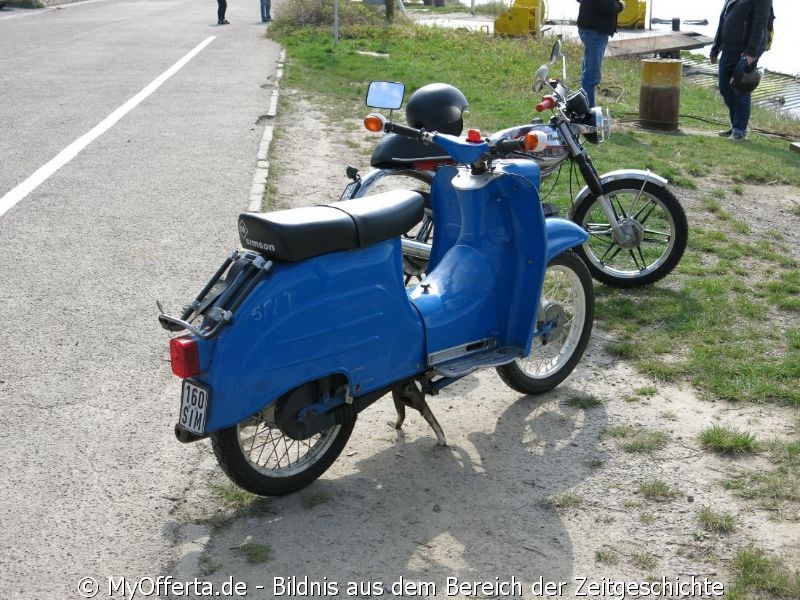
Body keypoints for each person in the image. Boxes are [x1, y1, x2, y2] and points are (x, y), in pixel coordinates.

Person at [709, 0, 772, 141]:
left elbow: (760, 22)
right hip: (728, 47)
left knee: (741, 89)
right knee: (725, 88)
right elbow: (723, 19)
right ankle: (735, 125)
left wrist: (751, 52)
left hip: (746, 50)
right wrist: (715, 47)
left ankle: (739, 130)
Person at [576, 0, 625, 108]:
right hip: (595, 31)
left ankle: (582, 108)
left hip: (589, 28)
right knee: (591, 76)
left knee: (588, 73)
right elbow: (609, 7)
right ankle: (588, 114)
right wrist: (621, 5)